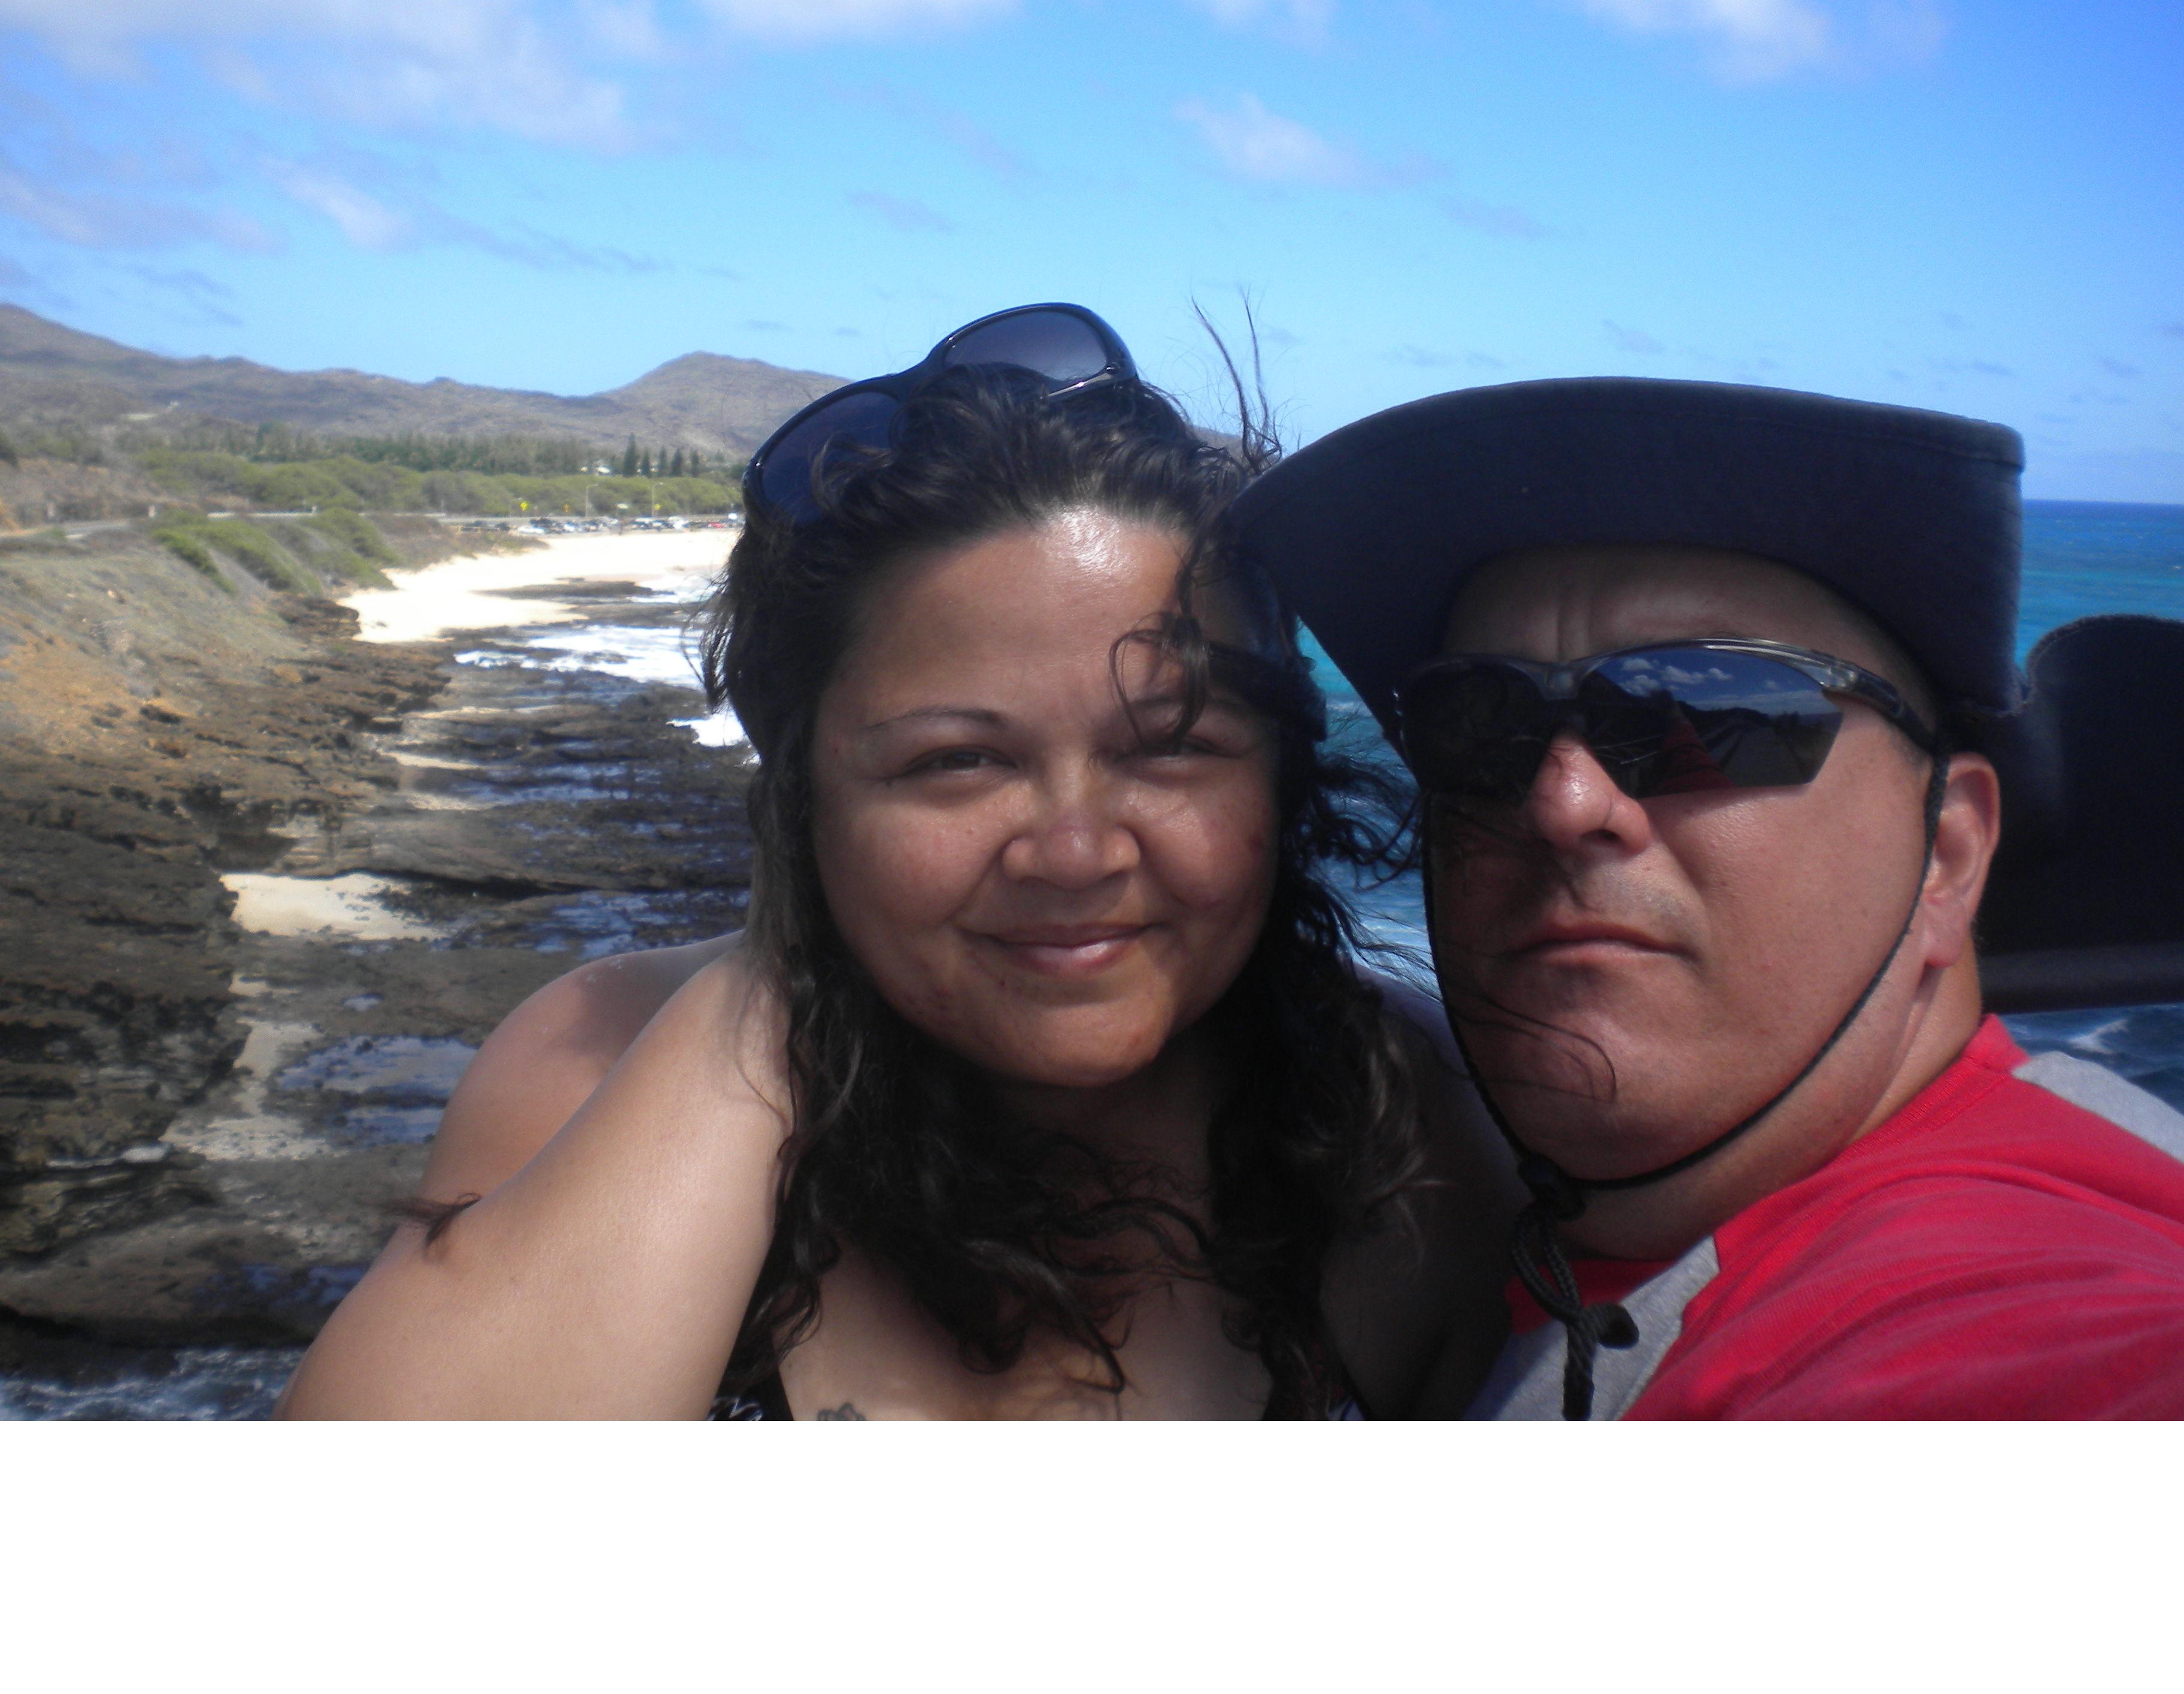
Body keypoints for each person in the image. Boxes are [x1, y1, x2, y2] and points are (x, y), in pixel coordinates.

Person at [277, 305, 1506, 1420]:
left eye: (1174, 747)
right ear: (807, 796)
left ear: (1285, 774)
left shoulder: (1402, 1133)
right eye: (955, 764)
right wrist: (784, 979)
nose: (1075, 851)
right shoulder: (596, 1059)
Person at [1234, 375, 2184, 1419]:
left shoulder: (2011, 1313)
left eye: (1707, 708)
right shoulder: (1434, 1212)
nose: (1563, 797)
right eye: (1479, 726)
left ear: (1948, 854)